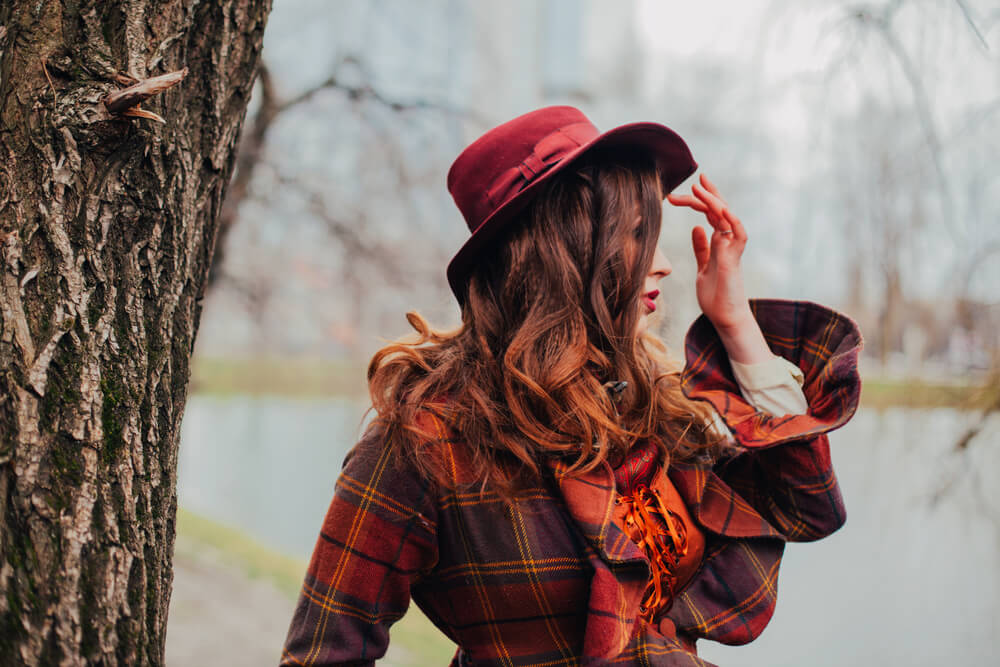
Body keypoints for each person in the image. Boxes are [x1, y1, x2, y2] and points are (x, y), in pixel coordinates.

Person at [280, 106, 862, 666]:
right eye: (636, 234)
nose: (661, 264)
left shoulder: (644, 405)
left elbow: (804, 505)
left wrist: (736, 326)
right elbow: (323, 652)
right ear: (563, 249)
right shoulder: (426, 439)